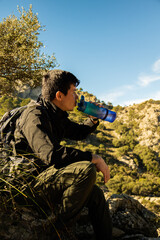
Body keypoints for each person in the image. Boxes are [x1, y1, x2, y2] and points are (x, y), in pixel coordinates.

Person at [14, 69, 112, 239]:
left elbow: (78, 132)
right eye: (74, 92)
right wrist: (93, 158)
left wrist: (93, 118)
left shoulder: (55, 114)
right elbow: (50, 155)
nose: (77, 97)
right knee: (85, 170)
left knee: (94, 193)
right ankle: (53, 231)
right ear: (59, 95)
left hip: (45, 179)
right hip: (25, 187)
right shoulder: (34, 116)